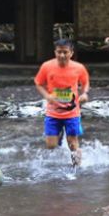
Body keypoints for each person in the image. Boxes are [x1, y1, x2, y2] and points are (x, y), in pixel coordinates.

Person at [34, 39, 90, 167]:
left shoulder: (79, 68)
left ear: (71, 53)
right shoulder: (47, 66)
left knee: (72, 143)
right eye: (59, 52)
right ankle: (59, 136)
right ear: (55, 52)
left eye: (65, 52)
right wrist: (47, 96)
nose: (62, 55)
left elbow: (85, 82)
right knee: (51, 145)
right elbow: (38, 83)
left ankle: (77, 168)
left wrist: (85, 93)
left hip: (72, 113)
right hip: (53, 113)